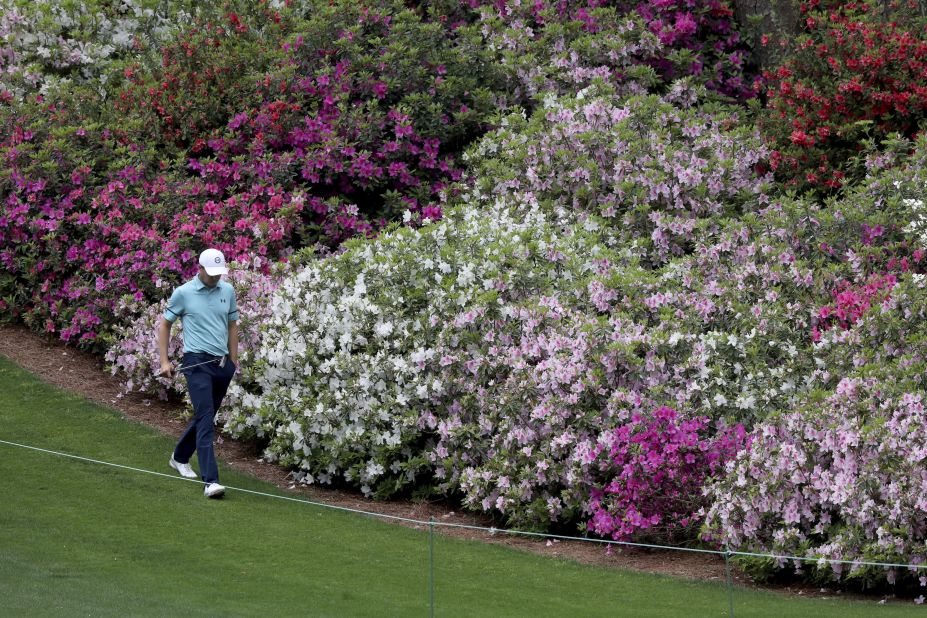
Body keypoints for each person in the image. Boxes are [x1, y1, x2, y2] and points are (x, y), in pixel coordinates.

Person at [157, 248, 239, 498]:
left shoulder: (227, 290)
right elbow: (165, 324)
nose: (215, 278)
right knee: (205, 418)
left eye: (219, 273)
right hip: (197, 363)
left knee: (206, 415)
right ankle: (210, 481)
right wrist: (164, 361)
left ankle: (179, 457)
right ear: (199, 268)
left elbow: (232, 325)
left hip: (222, 364)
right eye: (211, 273)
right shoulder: (183, 293)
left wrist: (233, 361)